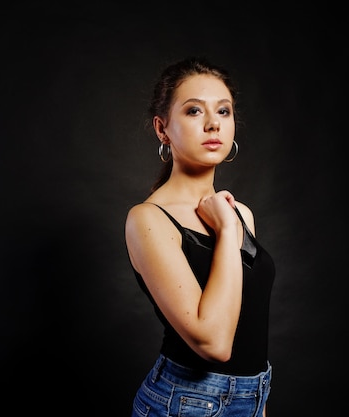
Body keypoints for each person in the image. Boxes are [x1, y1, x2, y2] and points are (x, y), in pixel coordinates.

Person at [125, 57, 276, 417]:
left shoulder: (242, 214)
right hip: (186, 403)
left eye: (223, 111)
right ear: (163, 129)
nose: (213, 124)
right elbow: (215, 343)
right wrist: (225, 231)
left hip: (254, 396)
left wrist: (259, 402)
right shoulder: (149, 220)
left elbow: (251, 335)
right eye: (194, 111)